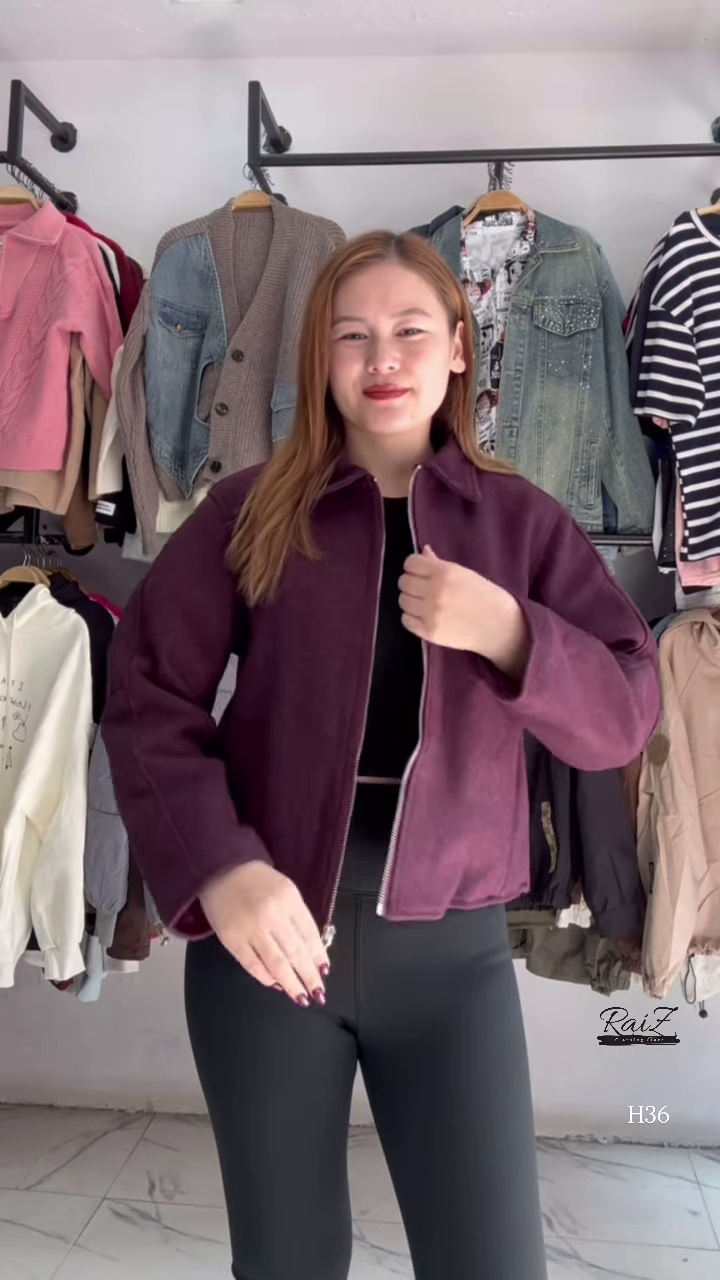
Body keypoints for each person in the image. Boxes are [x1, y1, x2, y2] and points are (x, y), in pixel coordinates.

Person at [103, 231, 660, 1280]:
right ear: (319, 357)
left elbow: (627, 712)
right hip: (267, 948)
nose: (382, 358)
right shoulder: (248, 510)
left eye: (410, 330)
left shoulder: (522, 524)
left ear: (459, 348)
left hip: (452, 960)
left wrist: (511, 631)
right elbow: (146, 695)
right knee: (287, 1262)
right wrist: (221, 866)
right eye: (351, 335)